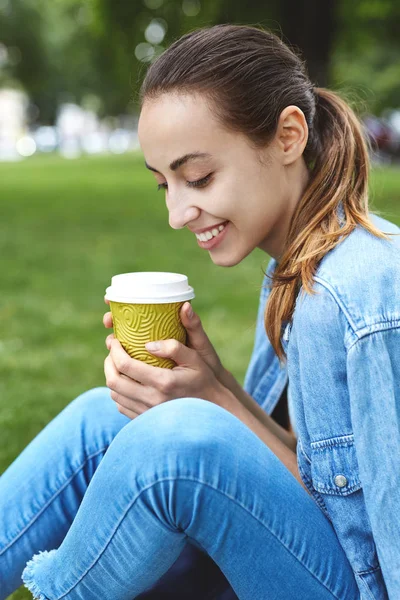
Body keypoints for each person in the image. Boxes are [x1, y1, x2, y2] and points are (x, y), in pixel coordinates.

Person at [1, 22, 399, 600]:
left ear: (288, 136)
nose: (178, 212)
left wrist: (206, 410)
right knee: (105, 417)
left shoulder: (362, 293)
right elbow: (311, 479)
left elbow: (379, 550)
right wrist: (217, 389)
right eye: (165, 184)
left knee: (177, 439)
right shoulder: (294, 267)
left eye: (198, 177)